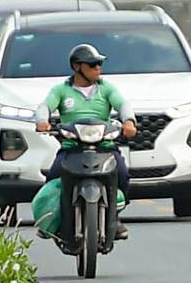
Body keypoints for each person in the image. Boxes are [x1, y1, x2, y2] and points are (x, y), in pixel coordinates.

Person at [35, 42, 131, 238]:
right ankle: (52, 220)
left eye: (99, 64)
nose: (98, 68)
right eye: (92, 64)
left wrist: (129, 121)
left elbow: (123, 104)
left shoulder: (106, 89)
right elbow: (45, 106)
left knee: (121, 172)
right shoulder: (62, 90)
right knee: (53, 177)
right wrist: (42, 121)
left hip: (104, 147)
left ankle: (114, 216)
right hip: (72, 148)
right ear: (77, 67)